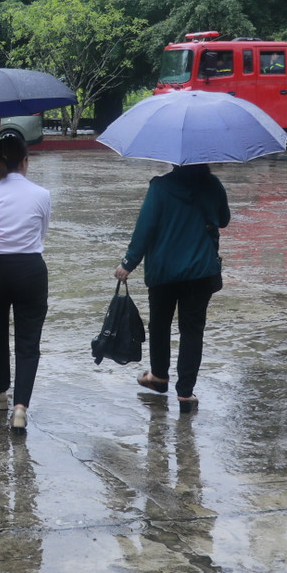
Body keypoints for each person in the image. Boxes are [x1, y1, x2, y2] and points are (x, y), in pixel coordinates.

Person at [114, 163, 231, 414]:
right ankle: (186, 395)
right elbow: (224, 220)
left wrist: (129, 262)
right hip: (201, 271)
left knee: (159, 324)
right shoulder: (213, 185)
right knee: (192, 330)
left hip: (163, 271)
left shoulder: (160, 188)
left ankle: (158, 376)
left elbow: (145, 228)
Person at [0, 134, 51, 431]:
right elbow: (42, 233)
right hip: (31, 268)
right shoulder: (42, 194)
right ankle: (21, 406)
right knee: (28, 341)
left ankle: (0, 392)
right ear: (25, 161)